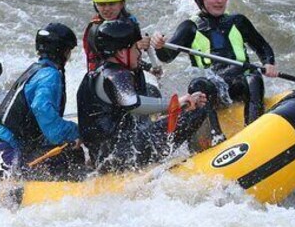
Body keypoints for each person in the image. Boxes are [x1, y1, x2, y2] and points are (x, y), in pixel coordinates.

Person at [153, 0, 278, 127]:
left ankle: (254, 127)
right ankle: (214, 135)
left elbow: (262, 47)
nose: (219, 1)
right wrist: (160, 46)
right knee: (198, 84)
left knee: (253, 76)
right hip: (213, 86)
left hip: (238, 82)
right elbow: (167, 57)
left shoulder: (238, 21)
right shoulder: (190, 27)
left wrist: (268, 63)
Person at [78, 20, 208, 170]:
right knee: (197, 113)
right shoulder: (114, 76)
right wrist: (176, 103)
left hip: (107, 153)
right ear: (121, 52)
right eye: (135, 48)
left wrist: (178, 106)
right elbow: (135, 104)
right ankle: (204, 155)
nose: (139, 53)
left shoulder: (102, 72)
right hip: (122, 156)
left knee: (152, 91)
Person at [0, 23, 81, 177]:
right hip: (6, 150)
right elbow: (42, 109)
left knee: (69, 155)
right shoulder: (49, 75)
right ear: (63, 51)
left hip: (10, 145)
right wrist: (75, 132)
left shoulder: (38, 68)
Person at [82, 0, 154, 73]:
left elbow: (128, 57)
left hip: (128, 73)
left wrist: (149, 68)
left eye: (111, 4)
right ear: (96, 5)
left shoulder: (130, 22)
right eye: (102, 4)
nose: (107, 9)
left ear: (122, 3)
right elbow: (109, 52)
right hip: (103, 76)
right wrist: (135, 43)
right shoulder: (94, 28)